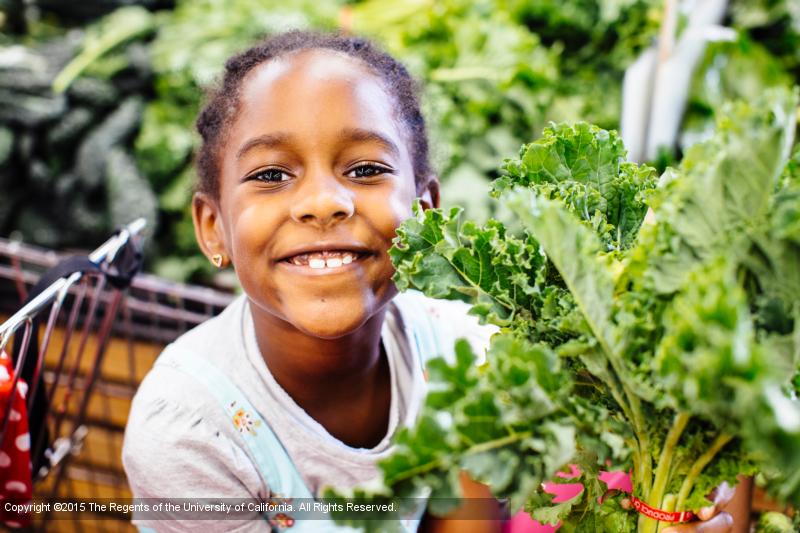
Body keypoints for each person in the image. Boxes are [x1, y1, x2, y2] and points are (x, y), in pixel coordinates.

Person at [122, 30, 746, 533]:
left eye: (365, 168)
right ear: (213, 228)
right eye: (271, 175)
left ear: (426, 211)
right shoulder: (185, 431)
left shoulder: (464, 349)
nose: (322, 203)